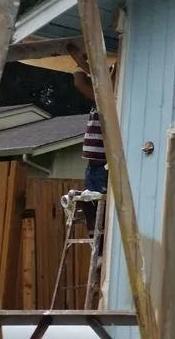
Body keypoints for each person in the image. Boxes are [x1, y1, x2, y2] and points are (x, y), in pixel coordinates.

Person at [67, 44, 108, 254]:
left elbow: (79, 82)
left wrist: (79, 61)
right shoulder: (99, 100)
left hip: (103, 168)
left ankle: (101, 252)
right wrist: (82, 60)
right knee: (90, 207)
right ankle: (97, 250)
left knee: (100, 209)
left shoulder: (107, 100)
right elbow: (90, 81)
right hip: (93, 167)